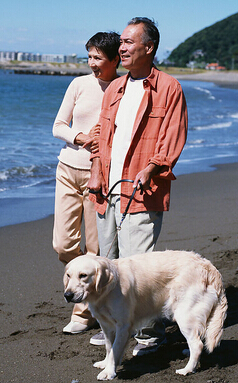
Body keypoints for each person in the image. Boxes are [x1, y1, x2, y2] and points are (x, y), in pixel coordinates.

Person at [87, 17, 188, 354]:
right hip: (107, 190)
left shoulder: (169, 87)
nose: (122, 48)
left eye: (130, 42)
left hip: (142, 189)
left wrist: (154, 166)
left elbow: (172, 137)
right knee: (108, 263)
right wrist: (96, 172)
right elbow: (102, 135)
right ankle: (115, 327)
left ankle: (147, 334)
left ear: (149, 47)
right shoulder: (115, 87)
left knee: (138, 266)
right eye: (122, 42)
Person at [52, 32, 120, 334]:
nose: (92, 63)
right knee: (63, 244)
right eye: (89, 57)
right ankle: (88, 297)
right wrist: (81, 138)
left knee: (95, 247)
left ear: (115, 59)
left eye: (98, 58)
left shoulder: (123, 88)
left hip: (102, 175)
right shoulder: (78, 84)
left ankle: (84, 310)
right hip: (67, 169)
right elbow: (58, 126)